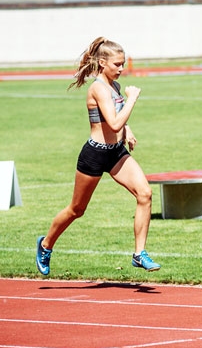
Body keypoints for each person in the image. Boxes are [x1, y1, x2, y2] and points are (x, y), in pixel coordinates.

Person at [36, 37, 160, 275]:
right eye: (117, 64)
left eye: (123, 64)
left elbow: (113, 119)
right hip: (94, 155)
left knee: (145, 193)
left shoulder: (113, 85)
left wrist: (128, 130)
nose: (122, 69)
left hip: (115, 153)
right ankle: (45, 245)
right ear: (102, 63)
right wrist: (133, 99)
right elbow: (113, 123)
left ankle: (139, 254)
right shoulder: (98, 88)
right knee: (77, 209)